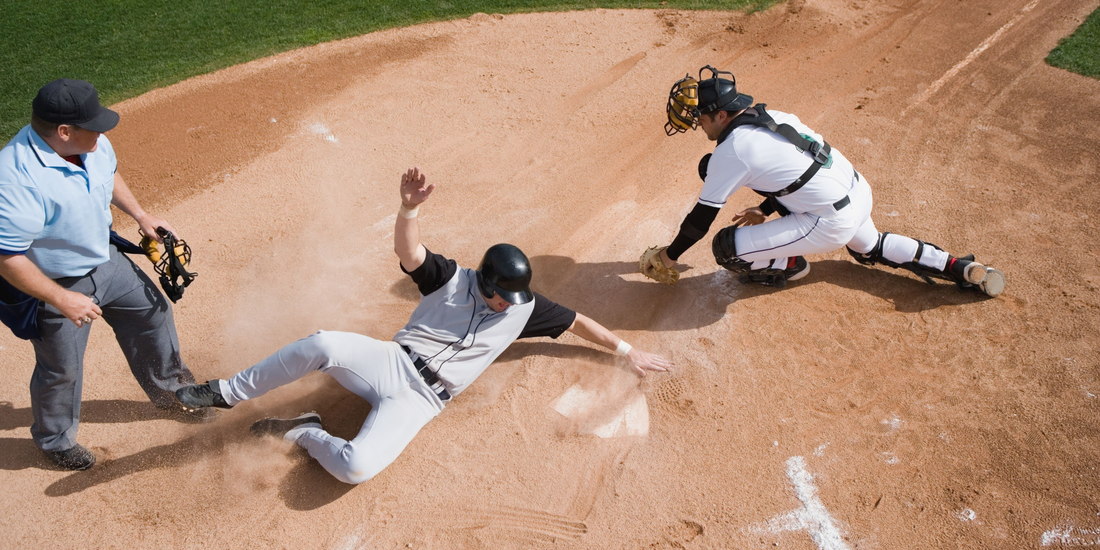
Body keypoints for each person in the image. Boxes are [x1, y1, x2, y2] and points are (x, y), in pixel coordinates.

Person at [176, 167, 670, 485]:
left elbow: (578, 322)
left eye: (515, 299)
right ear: (486, 280)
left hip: (422, 402)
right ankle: (226, 392)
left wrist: (627, 351)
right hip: (390, 362)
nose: (509, 306)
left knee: (355, 468)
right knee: (323, 342)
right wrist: (409, 208)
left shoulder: (521, 307)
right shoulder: (452, 280)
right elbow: (408, 252)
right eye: (503, 296)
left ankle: (304, 431)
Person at [639, 65, 1006, 297]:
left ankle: (790, 265)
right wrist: (765, 208)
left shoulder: (733, 150)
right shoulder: (773, 115)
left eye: (700, 117)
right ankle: (959, 268)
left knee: (726, 248)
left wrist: (669, 257)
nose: (696, 123)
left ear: (720, 114)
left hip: (830, 220)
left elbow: (699, 223)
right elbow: (796, 169)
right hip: (858, 192)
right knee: (870, 245)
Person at [0, 79, 208, 471]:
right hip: (55, 284)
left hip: (106, 261)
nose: (103, 131)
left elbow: (108, 173)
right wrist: (60, 299)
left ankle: (174, 393)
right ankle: (54, 439)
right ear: (64, 131)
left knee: (153, 316)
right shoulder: (15, 179)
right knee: (62, 368)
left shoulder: (88, 145)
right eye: (93, 124)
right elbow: (7, 257)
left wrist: (142, 215)